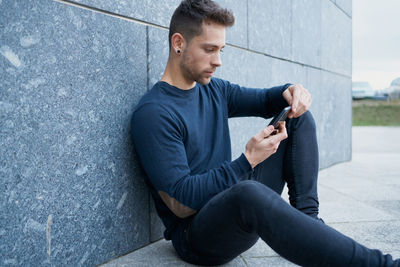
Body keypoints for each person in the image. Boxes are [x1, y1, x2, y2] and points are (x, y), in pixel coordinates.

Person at [131, 0, 399, 266]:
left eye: (221, 50)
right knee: (248, 192)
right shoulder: (155, 113)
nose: (218, 61)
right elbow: (183, 195)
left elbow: (264, 100)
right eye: (210, 49)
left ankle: (307, 225)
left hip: (233, 200)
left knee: (297, 118)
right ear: (179, 43)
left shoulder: (214, 90)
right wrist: (247, 161)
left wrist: (292, 90)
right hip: (198, 236)